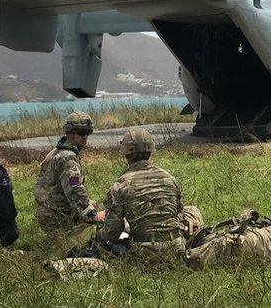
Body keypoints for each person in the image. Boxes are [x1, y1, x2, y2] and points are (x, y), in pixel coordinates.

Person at [96, 127, 187, 263]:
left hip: (144, 253)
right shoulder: (170, 178)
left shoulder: (120, 186)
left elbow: (112, 232)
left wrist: (98, 233)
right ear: (150, 151)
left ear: (126, 154)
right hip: (176, 249)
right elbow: (178, 213)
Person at [33, 112, 101, 245]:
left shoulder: (57, 151)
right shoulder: (67, 157)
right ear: (70, 132)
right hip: (58, 215)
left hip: (50, 211)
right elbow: (75, 189)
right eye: (82, 133)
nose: (85, 137)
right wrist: (93, 215)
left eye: (88, 133)